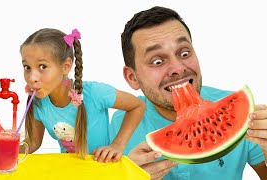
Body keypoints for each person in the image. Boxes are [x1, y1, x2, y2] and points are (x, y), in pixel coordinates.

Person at [109, 6, 267, 179]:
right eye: (157, 61)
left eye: (184, 53)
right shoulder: (118, 126)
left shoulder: (241, 113)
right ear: (132, 77)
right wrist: (125, 175)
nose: (178, 68)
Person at [0, 28, 145, 163]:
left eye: (42, 66)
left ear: (66, 66)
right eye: (27, 67)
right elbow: (33, 142)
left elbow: (137, 106)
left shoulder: (95, 93)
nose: (32, 77)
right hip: (69, 170)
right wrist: (5, 151)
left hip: (102, 169)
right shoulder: (38, 102)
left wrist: (117, 145)